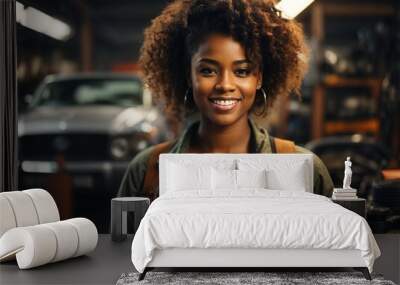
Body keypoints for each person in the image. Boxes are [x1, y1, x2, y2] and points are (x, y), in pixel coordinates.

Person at [118, 0, 334, 200]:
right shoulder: (147, 171)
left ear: (258, 78)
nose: (225, 85)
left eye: (241, 71)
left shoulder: (306, 169)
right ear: (188, 76)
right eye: (208, 70)